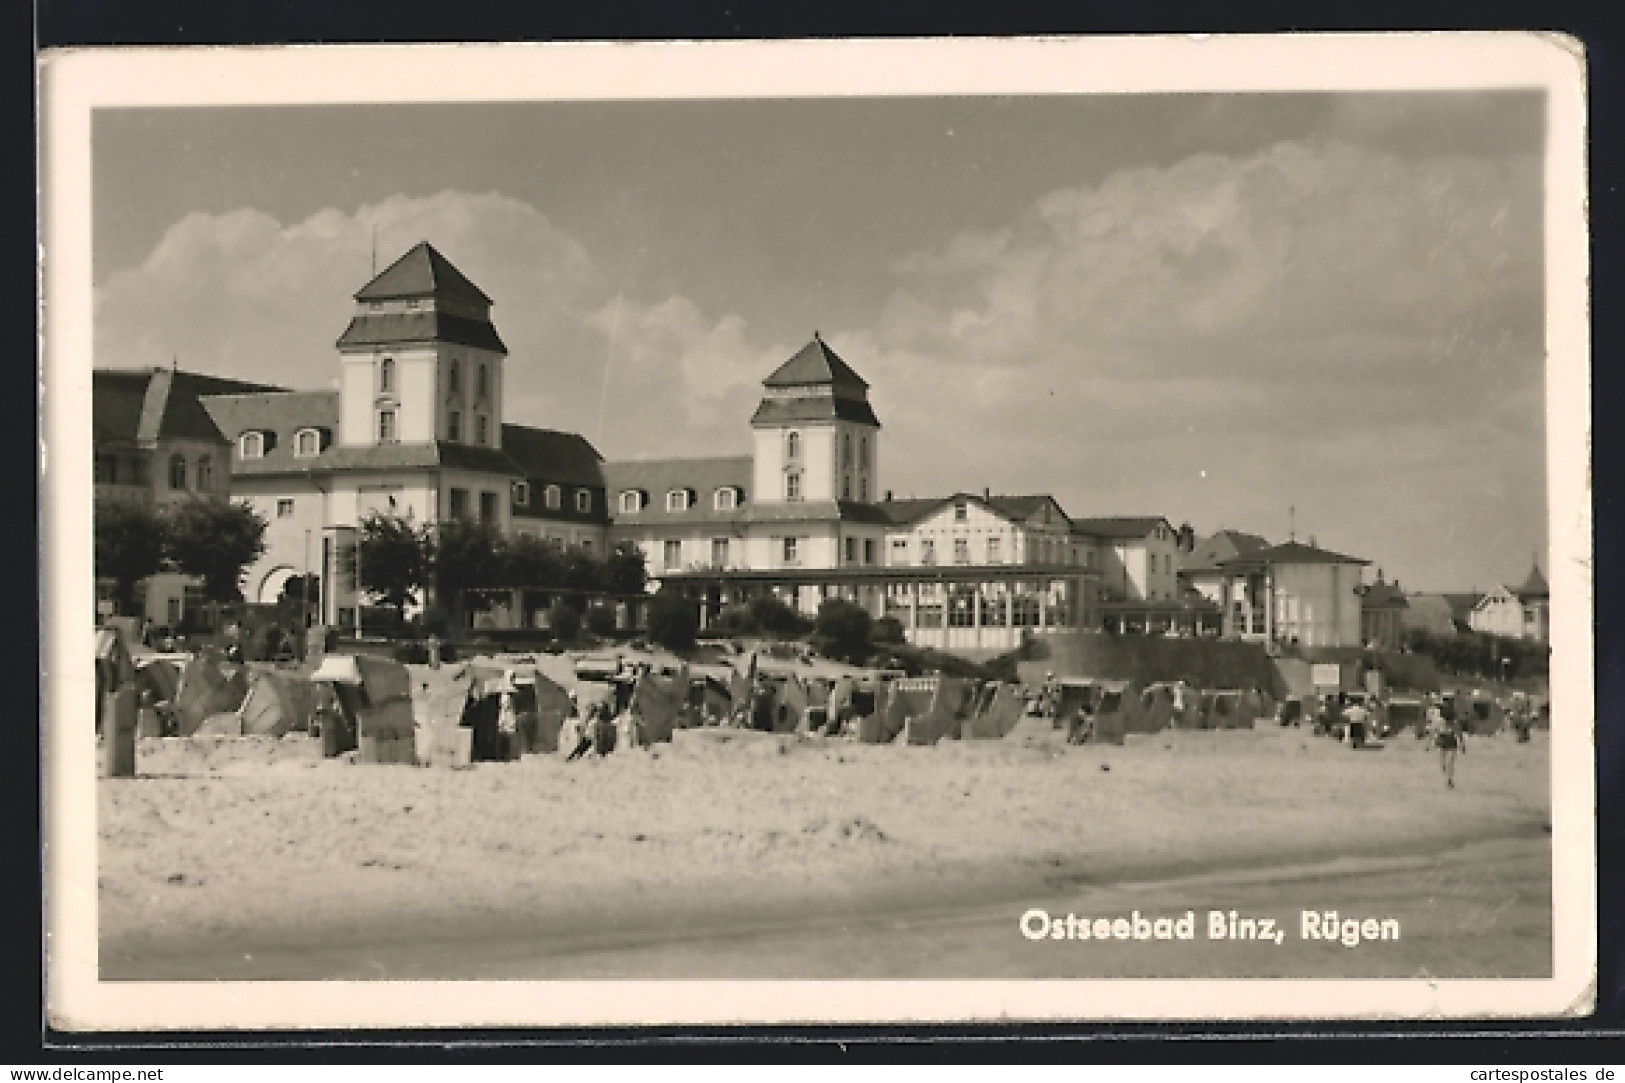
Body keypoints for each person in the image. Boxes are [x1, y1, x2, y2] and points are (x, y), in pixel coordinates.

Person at [1431, 698, 1466, 788]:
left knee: (1447, 762)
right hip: (1446, 739)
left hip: (1446, 739)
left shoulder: (1446, 720)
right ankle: (1448, 778)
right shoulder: (1447, 720)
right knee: (1447, 763)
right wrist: (1462, 744)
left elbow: (1433, 731)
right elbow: (1459, 733)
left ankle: (1449, 778)